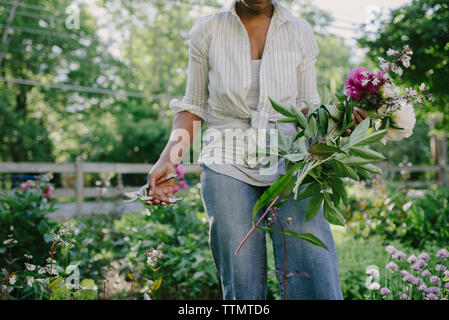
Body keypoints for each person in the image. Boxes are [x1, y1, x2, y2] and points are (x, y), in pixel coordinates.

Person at [146, 0, 367, 299]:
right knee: (242, 280)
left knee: (314, 263)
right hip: (226, 159)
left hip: (291, 160)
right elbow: (193, 106)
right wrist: (169, 159)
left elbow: (308, 107)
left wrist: (337, 121)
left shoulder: (299, 31)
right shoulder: (208, 29)